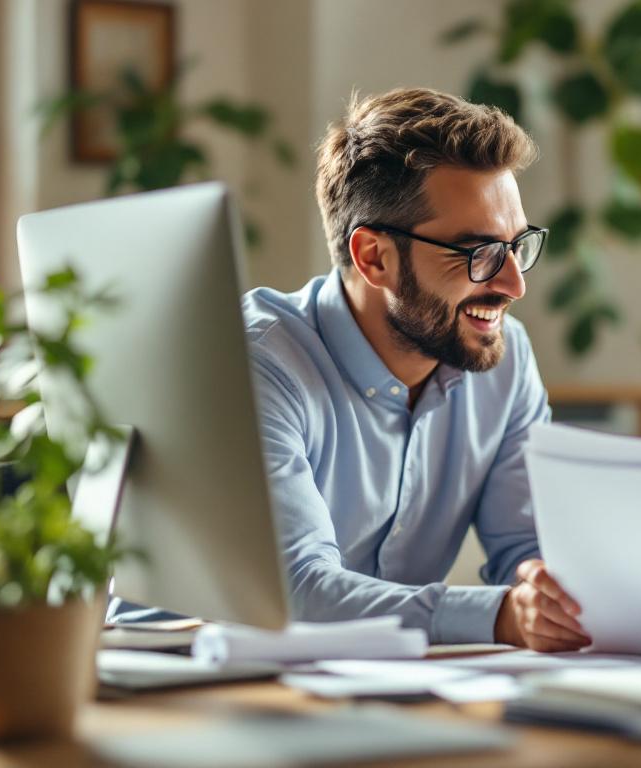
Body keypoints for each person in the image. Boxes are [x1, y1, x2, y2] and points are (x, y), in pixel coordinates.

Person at [242, 88, 587, 651]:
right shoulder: (261, 365)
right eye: (476, 253)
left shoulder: (506, 360)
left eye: (516, 246)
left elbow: (526, 549)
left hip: (378, 686)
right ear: (373, 257)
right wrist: (503, 617)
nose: (512, 284)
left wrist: (551, 593)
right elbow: (297, 591)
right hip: (185, 684)